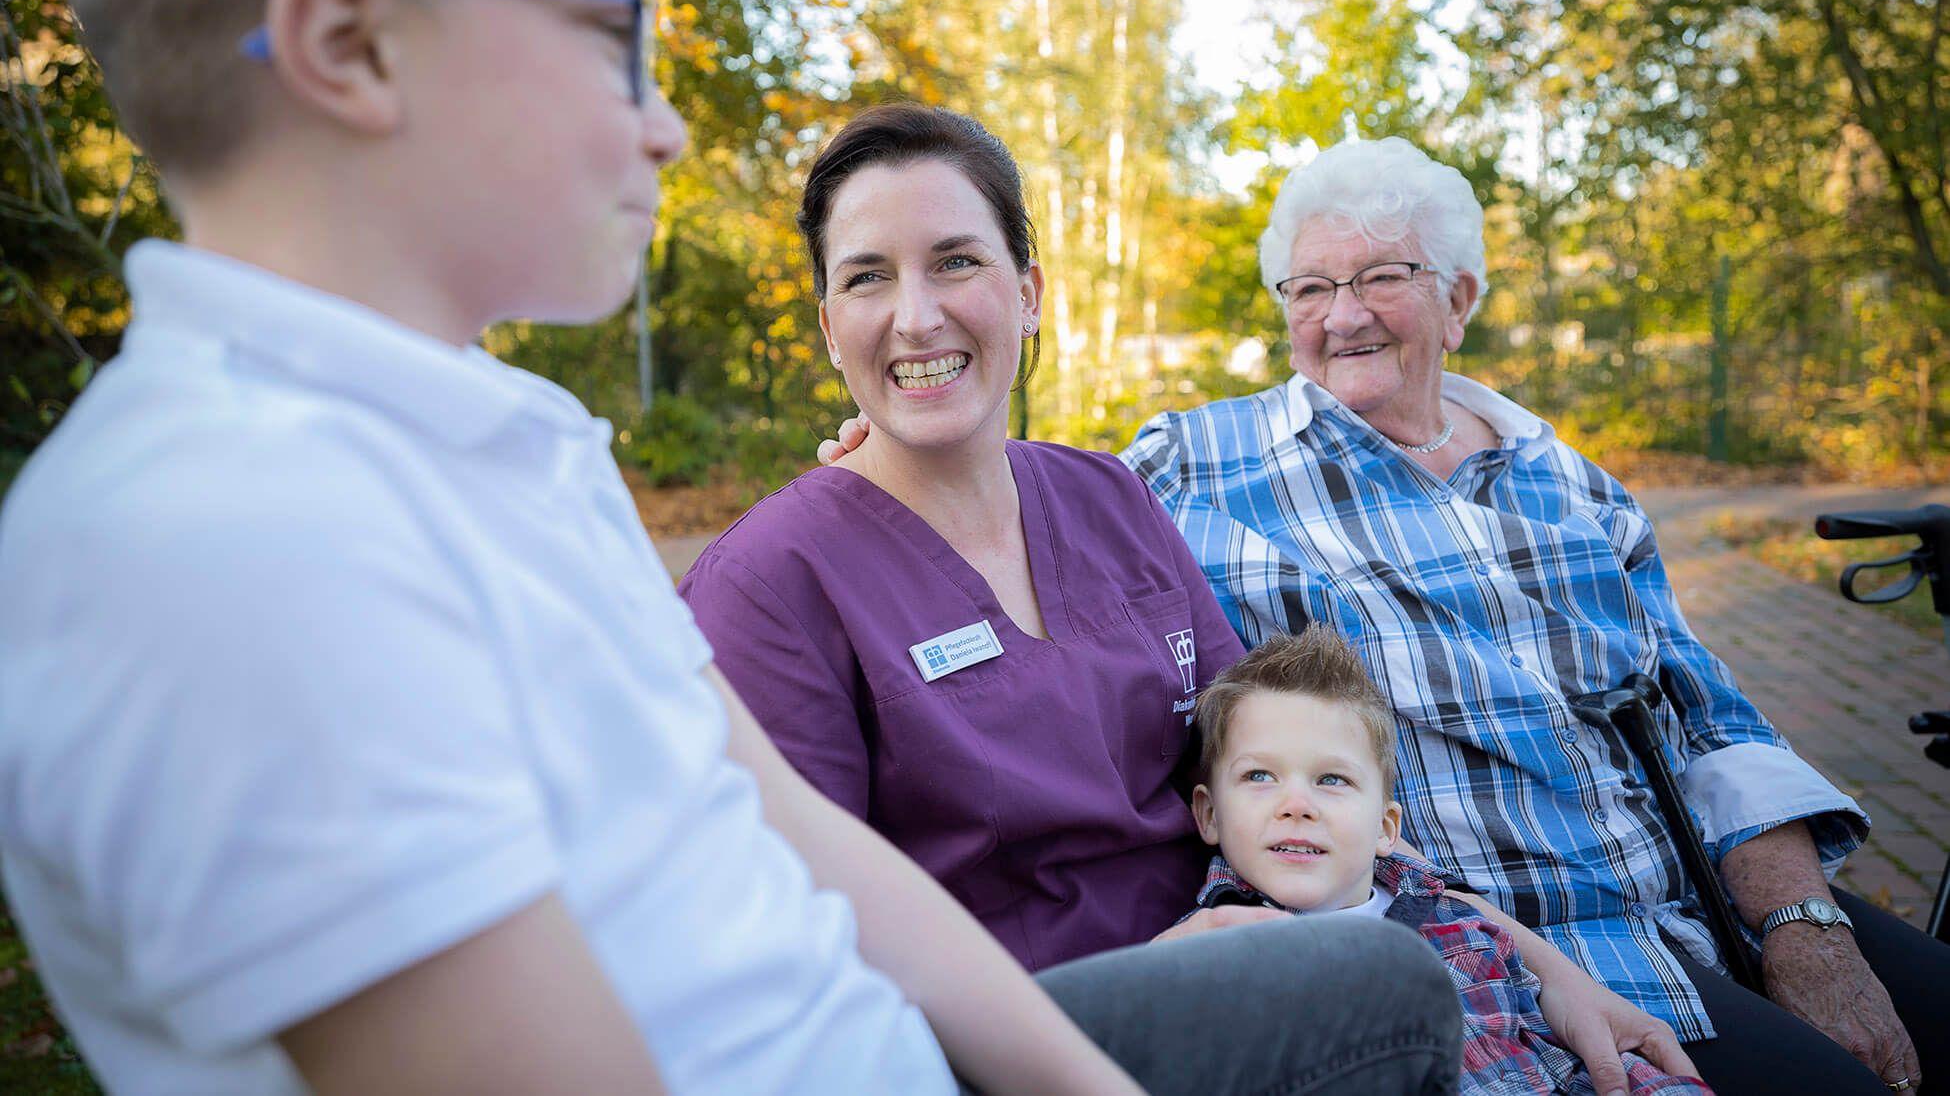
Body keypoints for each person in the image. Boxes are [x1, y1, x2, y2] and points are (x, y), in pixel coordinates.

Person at [0, 0, 1152, 1093]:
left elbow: (807, 845)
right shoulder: (227, 537)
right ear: (352, 41)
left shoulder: (513, 445)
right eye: (615, 35)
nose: (663, 125)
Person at [683, 103, 1708, 1095]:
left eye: (956, 260)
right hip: (1028, 1039)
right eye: (868, 278)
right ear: (828, 325)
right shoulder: (771, 585)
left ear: (1029, 290)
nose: (917, 315)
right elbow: (803, 951)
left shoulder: (1111, 499)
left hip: (1282, 971)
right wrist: (1162, 969)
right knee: (1391, 991)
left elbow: (1288, 767)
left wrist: (1537, 964)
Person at [1118, 135, 1947, 1095]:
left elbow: (1713, 724)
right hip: (1486, 946)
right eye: (1308, 290)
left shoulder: (1571, 484)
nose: (1342, 316)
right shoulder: (1197, 464)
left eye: (1381, 277)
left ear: (1459, 300)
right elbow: (1030, 551)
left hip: (1684, 893)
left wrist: (1807, 929)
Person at [1186, 626, 1710, 1096]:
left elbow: (1564, 1061)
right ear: (1209, 815)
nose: (1296, 804)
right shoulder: (1208, 956)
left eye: (1332, 780)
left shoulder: (1462, 927)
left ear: (1385, 828)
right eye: (1259, 776)